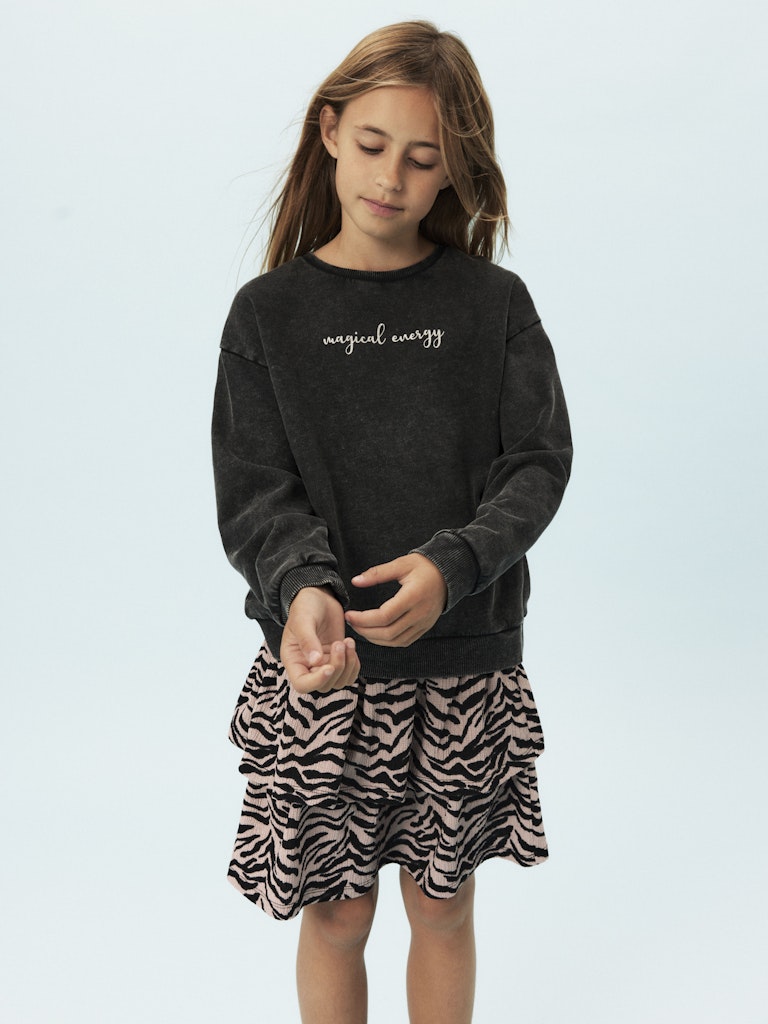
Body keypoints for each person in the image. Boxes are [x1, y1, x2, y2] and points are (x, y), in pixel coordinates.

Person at [212, 20, 572, 1024]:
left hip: (464, 666)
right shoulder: (266, 315)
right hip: (326, 670)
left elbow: (537, 464)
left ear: (454, 169)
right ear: (329, 131)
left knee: (444, 905)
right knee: (335, 916)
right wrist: (304, 591)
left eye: (423, 157)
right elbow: (256, 491)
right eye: (372, 144)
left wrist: (454, 567)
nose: (391, 177)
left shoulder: (496, 304)